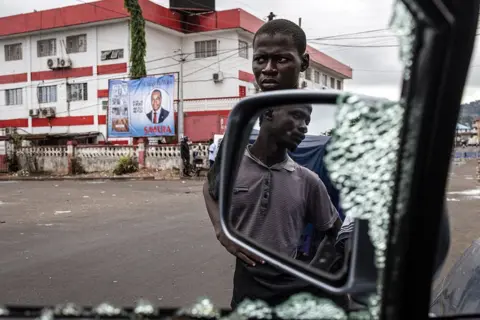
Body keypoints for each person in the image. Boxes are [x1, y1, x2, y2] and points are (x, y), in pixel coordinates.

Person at [203, 18, 343, 308]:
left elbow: (340, 228)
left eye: (281, 59)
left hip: (316, 280)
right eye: (261, 60)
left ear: (303, 63)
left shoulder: (322, 148)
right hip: (254, 281)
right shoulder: (242, 125)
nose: (268, 69)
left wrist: (316, 272)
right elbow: (214, 185)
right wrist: (222, 230)